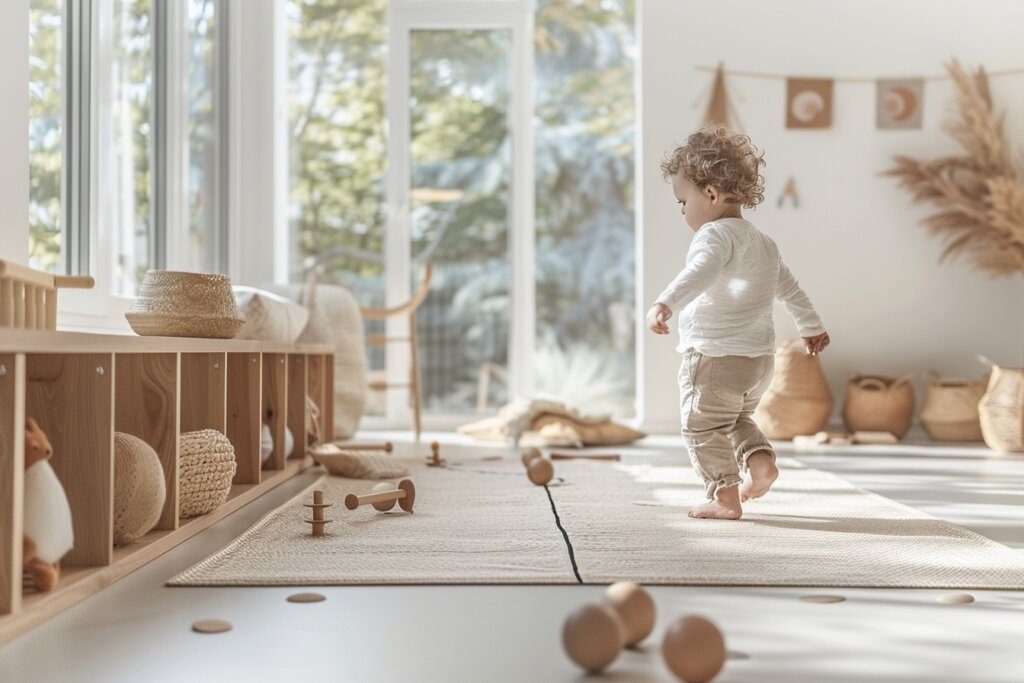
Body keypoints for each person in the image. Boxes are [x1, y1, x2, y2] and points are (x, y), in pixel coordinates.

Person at [647, 126, 830, 520]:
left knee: (700, 427)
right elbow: (790, 289)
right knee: (737, 419)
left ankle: (725, 497)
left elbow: (699, 271)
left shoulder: (714, 236)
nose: (682, 211)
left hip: (714, 357)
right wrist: (810, 326)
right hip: (759, 361)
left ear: (709, 194)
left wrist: (666, 302)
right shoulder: (762, 241)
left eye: (683, 201)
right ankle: (761, 464)